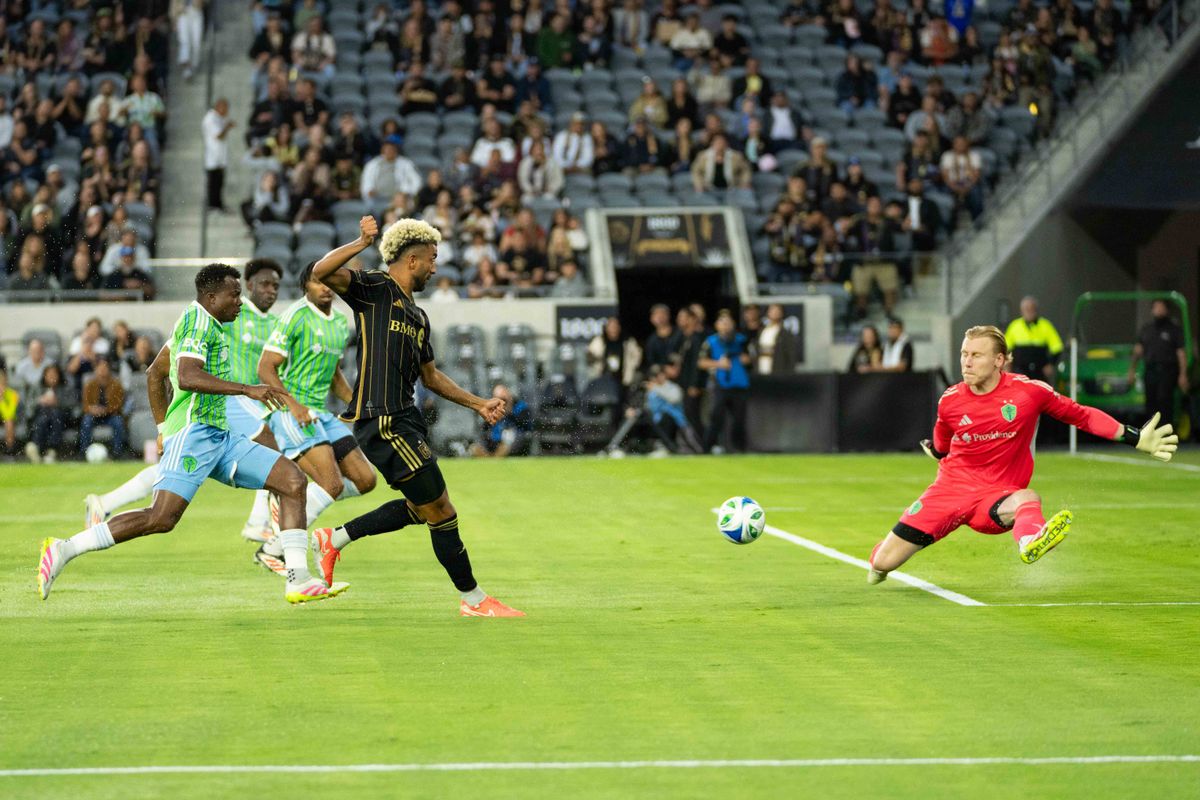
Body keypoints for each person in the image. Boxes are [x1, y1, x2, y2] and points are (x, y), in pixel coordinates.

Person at [38, 264, 342, 603]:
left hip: (221, 436)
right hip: (196, 433)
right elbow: (186, 376)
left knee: (292, 481)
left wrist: (162, 429)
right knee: (161, 517)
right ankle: (64, 549)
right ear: (212, 298)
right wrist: (245, 390)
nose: (240, 302)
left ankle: (297, 579)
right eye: (234, 295)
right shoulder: (198, 322)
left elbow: (156, 373)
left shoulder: (205, 321)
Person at [306, 216, 524, 617]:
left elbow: (431, 376)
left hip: (406, 420)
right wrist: (359, 241)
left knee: (423, 507)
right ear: (411, 260)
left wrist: (477, 403)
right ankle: (474, 599)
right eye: (432, 259)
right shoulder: (375, 289)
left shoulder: (418, 317)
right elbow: (319, 272)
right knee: (442, 510)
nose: (436, 267)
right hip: (382, 420)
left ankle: (332, 540)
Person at [867, 325, 1179, 585]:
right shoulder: (949, 400)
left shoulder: (1029, 392)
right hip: (949, 491)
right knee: (882, 564)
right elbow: (942, 441)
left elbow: (1080, 415)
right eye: (964, 354)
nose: (966, 362)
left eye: (976, 355)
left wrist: (1134, 437)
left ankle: (1030, 541)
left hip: (996, 497)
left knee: (1028, 498)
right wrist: (935, 450)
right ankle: (881, 559)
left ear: (998, 360)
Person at [84, 260, 287, 538]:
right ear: (248, 286)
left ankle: (106, 503)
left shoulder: (274, 324)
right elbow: (171, 368)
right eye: (264, 284)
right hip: (225, 397)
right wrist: (165, 423)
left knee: (180, 472)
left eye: (276, 286)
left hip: (241, 401)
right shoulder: (222, 314)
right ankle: (259, 523)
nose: (271, 291)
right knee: (270, 446)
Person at [253, 261, 379, 574]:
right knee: (332, 483)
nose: (324, 287)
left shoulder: (339, 321)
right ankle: (273, 549)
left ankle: (292, 502)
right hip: (290, 412)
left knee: (366, 480)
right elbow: (265, 367)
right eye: (316, 281)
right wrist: (292, 404)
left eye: (328, 281)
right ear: (305, 286)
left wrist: (357, 405)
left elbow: (334, 373)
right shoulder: (294, 316)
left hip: (320, 412)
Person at [1128, 299, 1189, 425]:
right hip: (1150, 370)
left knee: (1164, 400)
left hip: (1167, 370)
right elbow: (1138, 351)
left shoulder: (1174, 329)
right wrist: (1132, 370)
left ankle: (1166, 431)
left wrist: (1183, 374)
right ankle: (1151, 431)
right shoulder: (1147, 329)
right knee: (1150, 402)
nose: (1158, 310)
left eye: (1161, 307)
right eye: (1156, 307)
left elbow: (1181, 353)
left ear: (1166, 310)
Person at [699, 310, 752, 453]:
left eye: (728, 322)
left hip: (740, 384)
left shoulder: (741, 340)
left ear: (733, 324)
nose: (725, 325)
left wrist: (741, 359)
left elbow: (750, 358)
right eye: (722, 322)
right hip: (720, 384)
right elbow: (701, 362)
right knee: (716, 417)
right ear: (717, 325)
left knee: (739, 420)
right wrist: (718, 364)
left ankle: (740, 449)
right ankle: (707, 448)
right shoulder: (710, 342)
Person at [1004, 296, 1063, 383]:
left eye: (1031, 308)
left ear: (1036, 309)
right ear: (1021, 311)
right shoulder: (1014, 326)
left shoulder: (1045, 325)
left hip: (1039, 371)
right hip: (1020, 371)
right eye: (1026, 309)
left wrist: (1051, 364)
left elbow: (1057, 347)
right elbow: (1006, 349)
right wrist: (1007, 367)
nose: (1029, 311)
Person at [79, 358, 127, 458]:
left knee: (118, 422)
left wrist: (105, 410)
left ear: (109, 369)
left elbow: (119, 405)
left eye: (104, 368)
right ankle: (84, 452)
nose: (102, 370)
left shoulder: (117, 385)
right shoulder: (89, 385)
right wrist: (92, 410)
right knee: (86, 422)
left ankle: (117, 452)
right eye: (100, 368)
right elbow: (85, 405)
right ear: (95, 369)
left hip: (110, 415)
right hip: (93, 415)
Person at [469, 384, 533, 457]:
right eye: (498, 399)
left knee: (510, 437)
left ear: (509, 396)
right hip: (494, 441)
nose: (502, 403)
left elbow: (526, 425)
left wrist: (509, 412)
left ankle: (493, 459)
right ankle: (491, 458)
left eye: (504, 399)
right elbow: (485, 427)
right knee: (476, 445)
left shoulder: (520, 406)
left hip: (512, 441)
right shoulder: (492, 409)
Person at [26, 363, 72, 463]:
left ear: (59, 375)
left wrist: (57, 403)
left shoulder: (65, 388)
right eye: (49, 374)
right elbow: (28, 407)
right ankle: (39, 450)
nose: (52, 376)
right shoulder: (36, 387)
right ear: (44, 375)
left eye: (54, 374)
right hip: (40, 417)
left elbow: (72, 408)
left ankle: (49, 449)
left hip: (60, 420)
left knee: (55, 414)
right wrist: (40, 401)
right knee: (43, 418)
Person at [202, 98, 235, 212]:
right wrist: (227, 127)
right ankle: (212, 204)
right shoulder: (210, 118)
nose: (226, 111)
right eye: (225, 107)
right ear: (219, 106)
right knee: (213, 182)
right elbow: (218, 135)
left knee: (220, 182)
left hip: (220, 156)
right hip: (213, 156)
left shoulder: (219, 118)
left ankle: (218, 204)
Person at [755, 304, 800, 375]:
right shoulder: (762, 331)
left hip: (778, 372)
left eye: (777, 310)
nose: (774, 312)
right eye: (772, 310)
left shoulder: (786, 334)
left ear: (782, 313)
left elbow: (791, 357)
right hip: (762, 370)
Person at [644, 303, 682, 368]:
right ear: (651, 319)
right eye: (656, 314)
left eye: (663, 313)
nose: (660, 317)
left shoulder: (680, 333)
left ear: (669, 315)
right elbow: (652, 363)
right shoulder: (651, 341)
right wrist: (663, 368)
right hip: (662, 375)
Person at [0, 368, 16, 455]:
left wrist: (2, 400)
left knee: (9, 422)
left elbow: (9, 414)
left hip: (7, 418)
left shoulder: (13, 394)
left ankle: (9, 450)